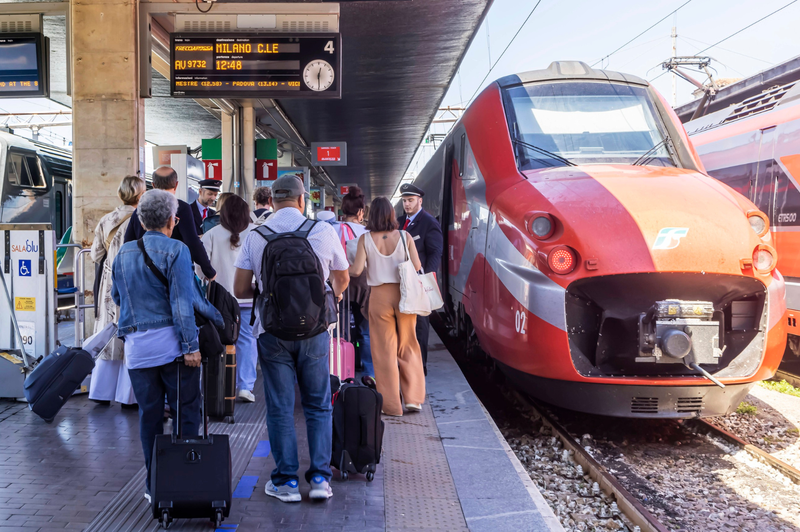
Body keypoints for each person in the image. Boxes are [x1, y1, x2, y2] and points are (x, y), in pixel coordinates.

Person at [233, 175, 349, 503]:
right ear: (302, 201)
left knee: (281, 407)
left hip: (272, 332)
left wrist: (269, 294)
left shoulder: (256, 235)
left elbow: (239, 289)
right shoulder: (323, 231)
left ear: (272, 201)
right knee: (317, 405)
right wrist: (327, 299)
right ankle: (319, 481)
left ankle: (285, 482)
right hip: (314, 332)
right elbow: (342, 277)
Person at [112, 189, 223, 503]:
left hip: (137, 350)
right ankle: (185, 480)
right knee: (186, 412)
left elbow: (117, 298)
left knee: (150, 417)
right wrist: (190, 346)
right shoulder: (177, 250)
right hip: (172, 347)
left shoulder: (123, 253)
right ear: (171, 221)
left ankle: (154, 483)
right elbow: (181, 304)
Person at [349, 196, 425, 417]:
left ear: (371, 216)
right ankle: (413, 400)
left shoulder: (365, 239)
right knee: (409, 343)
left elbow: (356, 271)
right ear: (392, 215)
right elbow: (418, 265)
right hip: (405, 294)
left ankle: (391, 405)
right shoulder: (405, 236)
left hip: (379, 297)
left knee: (384, 351)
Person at [89, 175, 145, 408]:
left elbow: (95, 256)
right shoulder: (142, 219)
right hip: (134, 283)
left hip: (108, 285)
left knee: (108, 333)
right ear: (140, 195)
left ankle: (100, 392)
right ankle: (127, 397)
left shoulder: (106, 219)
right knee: (131, 336)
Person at [198, 194, 258, 403]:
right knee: (248, 342)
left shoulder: (211, 234)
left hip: (218, 301)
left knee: (217, 342)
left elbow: (200, 269)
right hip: (248, 299)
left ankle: (218, 383)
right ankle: (245, 386)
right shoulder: (255, 234)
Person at [124, 166, 216, 281]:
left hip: (143, 274)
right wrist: (209, 271)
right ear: (176, 184)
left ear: (153, 185)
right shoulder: (181, 208)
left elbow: (128, 242)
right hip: (175, 274)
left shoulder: (141, 208)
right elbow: (192, 242)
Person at [396, 183, 443, 375]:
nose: (407, 204)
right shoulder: (398, 222)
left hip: (419, 282)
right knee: (404, 325)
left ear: (419, 201)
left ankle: (420, 366)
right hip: (401, 282)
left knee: (421, 326)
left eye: (410, 200)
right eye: (405, 201)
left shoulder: (429, 223)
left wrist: (426, 278)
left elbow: (435, 252)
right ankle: (405, 365)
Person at [331, 186, 372, 377]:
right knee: (366, 332)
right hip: (364, 285)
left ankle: (342, 372)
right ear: (360, 212)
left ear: (343, 210)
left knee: (341, 332)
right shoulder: (368, 232)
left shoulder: (332, 230)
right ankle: (369, 374)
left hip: (340, 282)